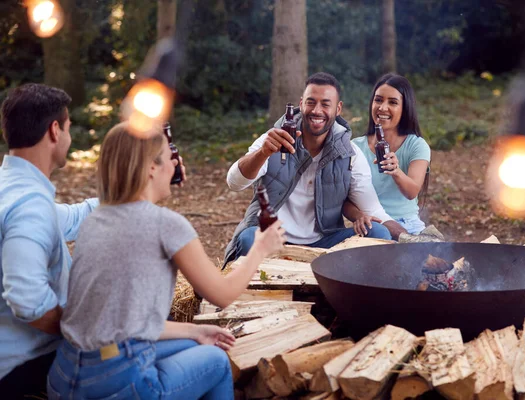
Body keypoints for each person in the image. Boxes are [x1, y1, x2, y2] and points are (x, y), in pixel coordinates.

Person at [47, 122, 286, 400]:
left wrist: (194, 330)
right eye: (170, 157)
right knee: (218, 363)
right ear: (151, 167)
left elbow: (126, 321)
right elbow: (223, 295)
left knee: (195, 343)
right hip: (117, 382)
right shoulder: (166, 226)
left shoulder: (95, 219)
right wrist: (260, 248)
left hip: (65, 375)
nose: (175, 164)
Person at [224, 72, 405, 266]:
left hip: (325, 243)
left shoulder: (350, 154)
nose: (317, 110)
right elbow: (234, 182)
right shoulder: (273, 139)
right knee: (248, 238)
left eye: (326, 104)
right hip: (272, 238)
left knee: (378, 233)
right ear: (301, 104)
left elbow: (374, 210)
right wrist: (263, 153)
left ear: (338, 109)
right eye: (311, 102)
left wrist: (411, 240)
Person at [0, 83, 100, 397]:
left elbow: (71, 218)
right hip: (26, 366)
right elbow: (28, 303)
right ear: (54, 131)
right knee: (137, 357)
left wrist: (136, 191)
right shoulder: (28, 207)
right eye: (68, 129)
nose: (69, 138)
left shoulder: (13, 189)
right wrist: (84, 331)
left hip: (24, 357)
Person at [345, 74, 431, 236]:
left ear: (405, 108)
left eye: (393, 102)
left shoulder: (416, 145)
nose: (383, 107)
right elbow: (344, 199)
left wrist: (396, 171)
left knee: (439, 258)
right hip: (371, 226)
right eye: (378, 100)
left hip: (408, 225)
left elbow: (412, 191)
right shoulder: (355, 147)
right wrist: (358, 216)